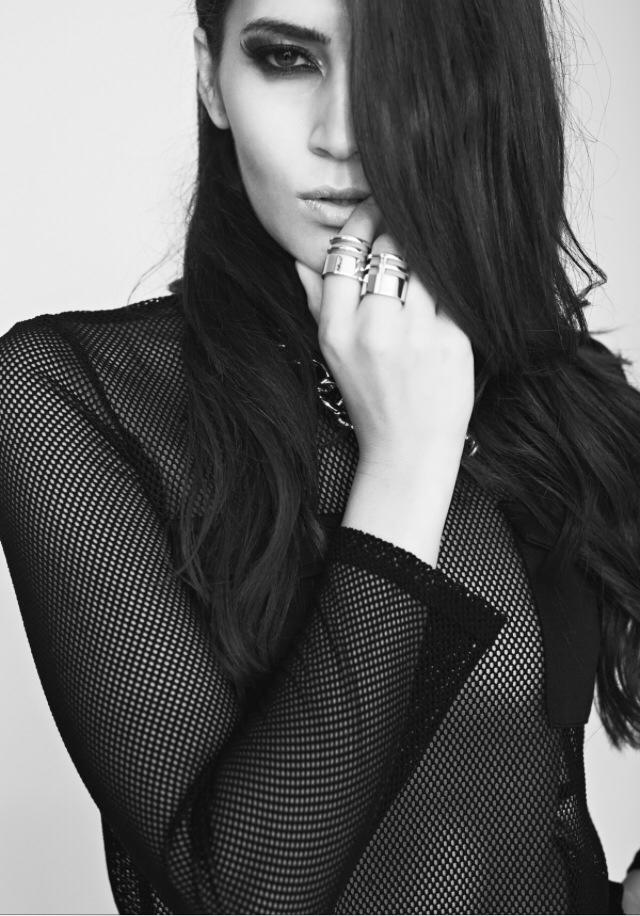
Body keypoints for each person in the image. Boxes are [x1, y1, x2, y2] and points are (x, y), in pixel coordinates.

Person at [1, 0, 639, 912]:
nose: (340, 135)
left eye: (391, 67)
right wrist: (406, 461)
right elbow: (241, 899)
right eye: (287, 58)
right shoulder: (76, 397)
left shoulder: (554, 392)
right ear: (209, 78)